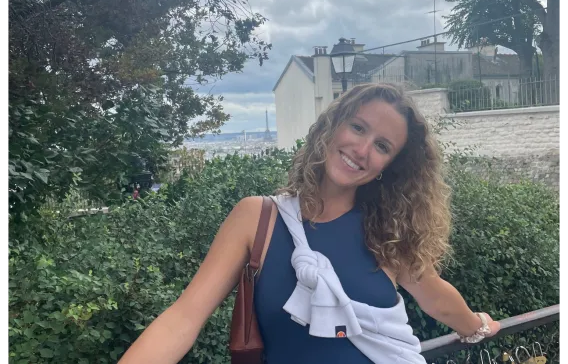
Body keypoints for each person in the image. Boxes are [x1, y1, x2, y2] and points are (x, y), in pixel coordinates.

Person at [119, 83, 500, 364]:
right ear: (331, 126)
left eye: (382, 146)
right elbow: (183, 319)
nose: (363, 150)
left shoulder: (385, 233)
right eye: (358, 128)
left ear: (389, 167)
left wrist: (478, 325)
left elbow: (435, 296)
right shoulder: (257, 218)